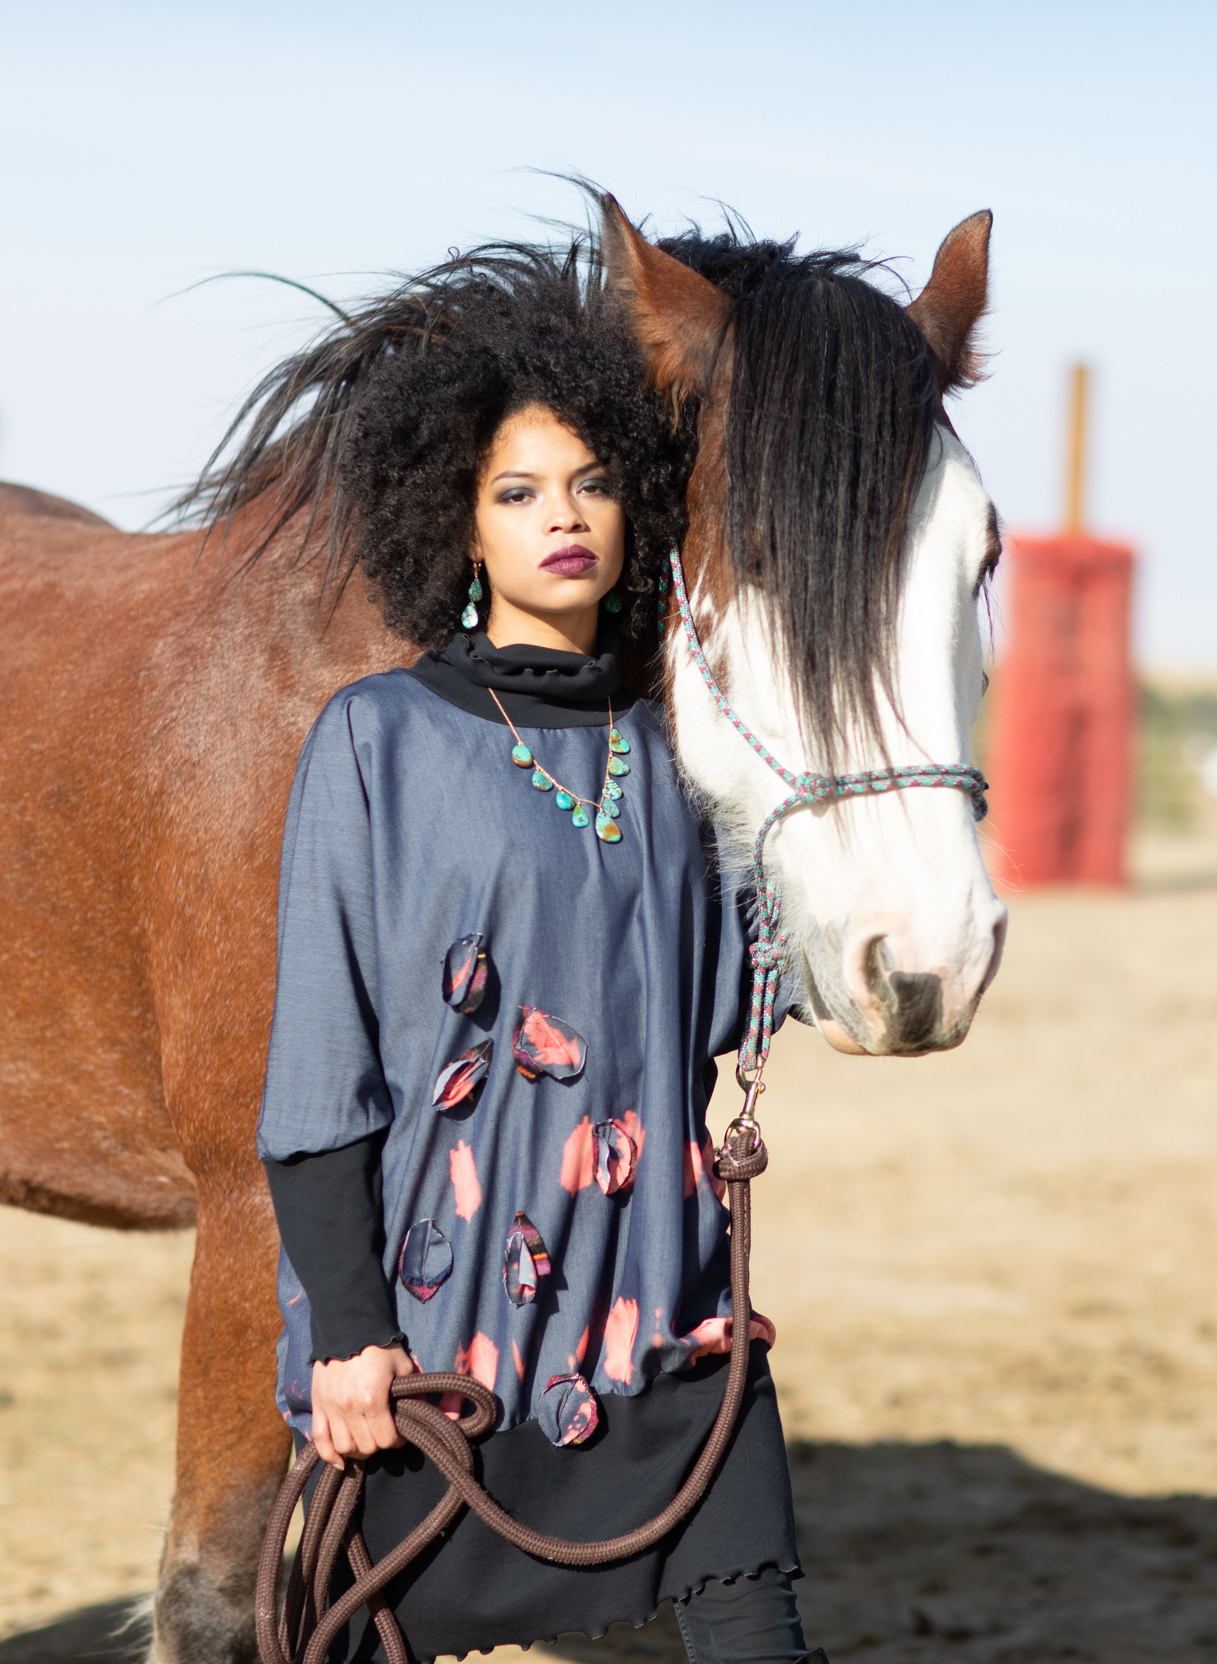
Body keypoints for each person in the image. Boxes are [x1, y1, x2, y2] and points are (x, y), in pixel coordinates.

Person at [250, 243, 824, 1664]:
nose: (561, 519)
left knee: (766, 1638)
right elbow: (320, 1071)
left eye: (591, 482)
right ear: (459, 527)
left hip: (669, 1316)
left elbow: (755, 986)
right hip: (446, 1340)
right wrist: (346, 1335)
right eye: (516, 493)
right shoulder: (376, 740)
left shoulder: (673, 754)